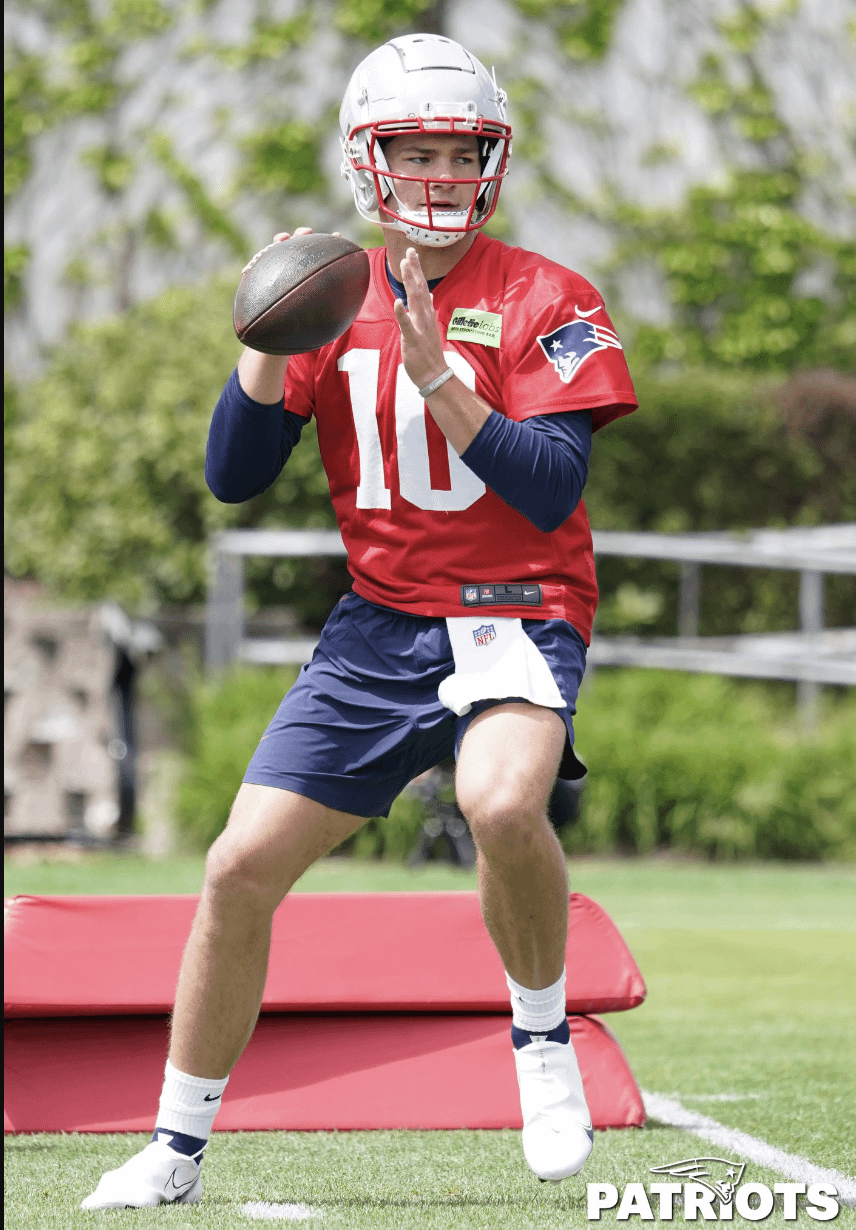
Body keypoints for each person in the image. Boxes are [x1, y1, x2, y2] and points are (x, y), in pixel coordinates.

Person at [83, 32, 637, 1209]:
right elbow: (233, 478)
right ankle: (174, 1148)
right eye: (414, 147)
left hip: (515, 611)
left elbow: (550, 486)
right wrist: (257, 345)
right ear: (366, 158)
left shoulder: (548, 295)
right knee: (236, 868)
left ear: (492, 159)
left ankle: (540, 1045)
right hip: (380, 626)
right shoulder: (329, 296)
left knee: (498, 802)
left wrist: (444, 379)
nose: (438, 171)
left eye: (458, 147)